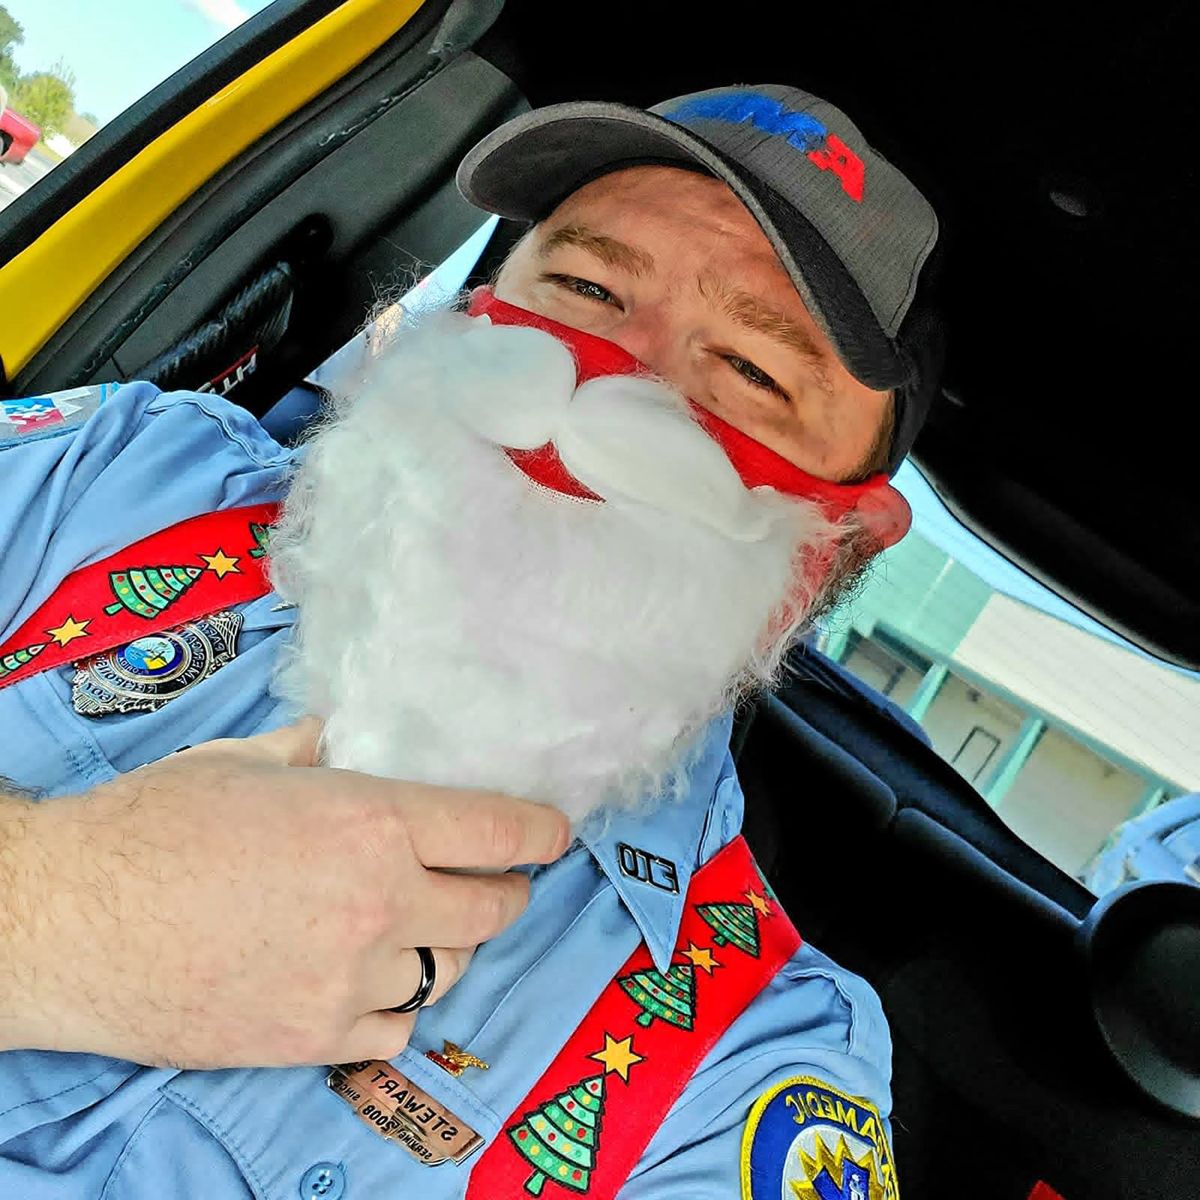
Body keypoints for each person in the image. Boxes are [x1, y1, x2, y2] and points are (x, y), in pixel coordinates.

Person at [0, 82, 940, 1198]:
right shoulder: (118, 473)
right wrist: (57, 910)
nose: (602, 382)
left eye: (749, 372)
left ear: (833, 550)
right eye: (586, 288)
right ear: (479, 306)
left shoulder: (751, 1069)